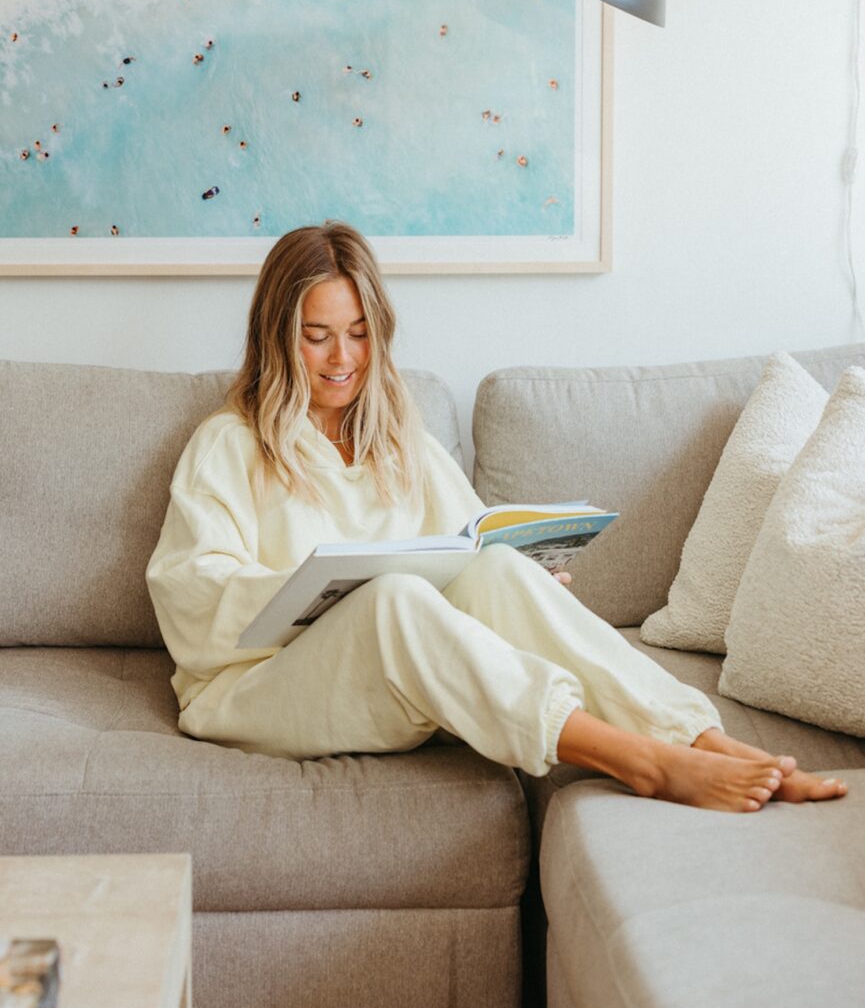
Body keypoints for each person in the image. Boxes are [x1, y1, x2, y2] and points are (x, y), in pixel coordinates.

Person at [146, 222, 848, 812]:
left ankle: (700, 739)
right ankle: (640, 762)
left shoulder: (400, 442)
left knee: (497, 576)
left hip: (400, 681)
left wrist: (531, 575)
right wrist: (315, 593)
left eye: (359, 334)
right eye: (317, 335)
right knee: (391, 598)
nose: (343, 359)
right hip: (258, 691)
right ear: (276, 335)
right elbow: (191, 598)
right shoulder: (231, 445)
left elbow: (471, 555)